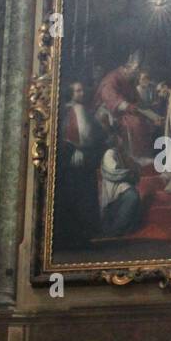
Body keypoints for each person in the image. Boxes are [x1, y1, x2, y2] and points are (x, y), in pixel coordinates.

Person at [56, 80, 106, 247]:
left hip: (78, 159)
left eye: (82, 90)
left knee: (81, 196)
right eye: (77, 91)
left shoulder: (75, 110)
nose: (81, 93)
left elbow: (90, 135)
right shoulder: (73, 109)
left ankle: (80, 236)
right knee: (79, 196)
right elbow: (83, 136)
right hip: (74, 158)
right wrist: (78, 148)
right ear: (71, 93)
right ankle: (78, 235)